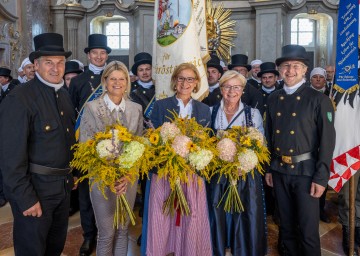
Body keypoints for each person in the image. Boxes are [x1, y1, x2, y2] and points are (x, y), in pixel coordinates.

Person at [0, 32, 75, 255]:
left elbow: (68, 139)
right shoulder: (20, 98)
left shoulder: (64, 95)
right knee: (32, 250)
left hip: (61, 189)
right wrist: (25, 198)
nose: (55, 68)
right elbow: (10, 156)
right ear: (36, 64)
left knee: (54, 247)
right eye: (48, 63)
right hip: (35, 191)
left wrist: (74, 175)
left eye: (60, 62)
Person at [265, 45, 336, 256]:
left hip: (306, 173)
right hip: (279, 170)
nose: (290, 70)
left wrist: (321, 178)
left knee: (307, 231)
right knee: (285, 227)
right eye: (285, 65)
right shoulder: (273, 98)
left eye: (296, 66)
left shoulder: (319, 100)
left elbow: (327, 141)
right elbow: (269, 137)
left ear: (305, 70)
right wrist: (269, 168)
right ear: (279, 69)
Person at [141, 63, 212, 255]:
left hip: (191, 175)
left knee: (191, 216)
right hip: (165, 172)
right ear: (174, 81)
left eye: (190, 79)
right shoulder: (161, 105)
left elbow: (207, 144)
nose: (185, 83)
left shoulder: (204, 110)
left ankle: (188, 250)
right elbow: (152, 139)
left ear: (196, 83)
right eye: (181, 78)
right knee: (162, 216)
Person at [79, 61, 143, 256]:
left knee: (123, 230)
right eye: (112, 79)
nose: (117, 83)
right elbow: (85, 145)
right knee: (106, 232)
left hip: (128, 180)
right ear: (104, 81)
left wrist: (127, 176)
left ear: (127, 82)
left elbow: (139, 146)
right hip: (101, 179)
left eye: (122, 79)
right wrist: (109, 175)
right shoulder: (91, 108)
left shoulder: (135, 108)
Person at [208, 70, 266, 256]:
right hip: (218, 174)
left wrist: (245, 164)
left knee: (244, 214)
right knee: (218, 214)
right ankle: (218, 246)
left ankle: (243, 248)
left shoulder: (253, 114)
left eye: (236, 87)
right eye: (227, 86)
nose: (231, 91)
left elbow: (260, 144)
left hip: (244, 174)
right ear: (220, 88)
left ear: (242, 90)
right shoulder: (211, 111)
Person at [69, 33, 111, 256]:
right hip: (86, 146)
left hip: (112, 144)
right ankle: (88, 236)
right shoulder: (77, 81)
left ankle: (107, 232)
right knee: (86, 194)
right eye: (95, 53)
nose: (98, 56)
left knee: (108, 192)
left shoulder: (114, 78)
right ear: (88, 55)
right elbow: (72, 113)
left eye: (102, 53)